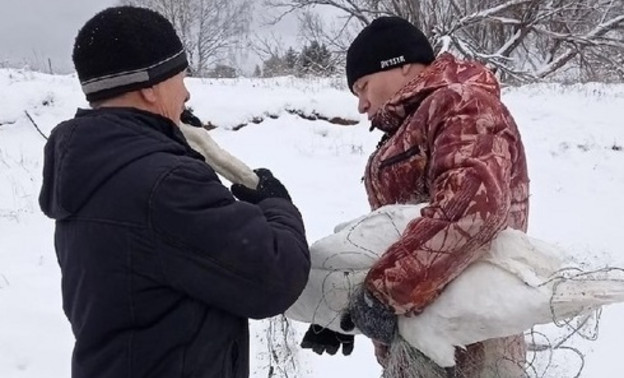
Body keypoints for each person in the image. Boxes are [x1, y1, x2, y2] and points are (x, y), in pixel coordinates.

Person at [38, 6, 310, 378]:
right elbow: (276, 275)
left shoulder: (91, 169)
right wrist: (277, 204)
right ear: (150, 86)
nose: (186, 91)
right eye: (179, 76)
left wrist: (171, 139)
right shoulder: (166, 184)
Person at [302, 16, 529, 377]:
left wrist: (382, 294)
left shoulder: (461, 104)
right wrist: (342, 309)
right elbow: (394, 233)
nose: (361, 104)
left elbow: (472, 210)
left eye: (362, 86)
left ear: (401, 64)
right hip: (421, 343)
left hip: (468, 348)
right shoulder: (414, 124)